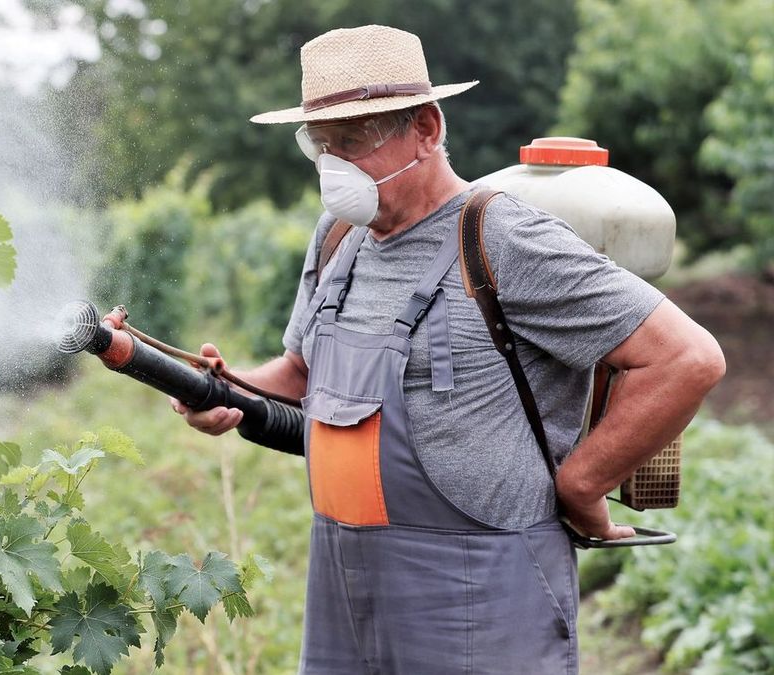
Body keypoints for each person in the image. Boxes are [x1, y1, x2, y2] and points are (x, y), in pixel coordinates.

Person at [170, 24, 725, 674]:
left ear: (427, 129)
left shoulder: (500, 239)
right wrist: (226, 389)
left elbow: (687, 358)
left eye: (352, 142)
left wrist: (582, 481)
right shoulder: (338, 238)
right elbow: (300, 371)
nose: (334, 168)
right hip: (346, 585)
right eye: (320, 146)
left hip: (483, 592)